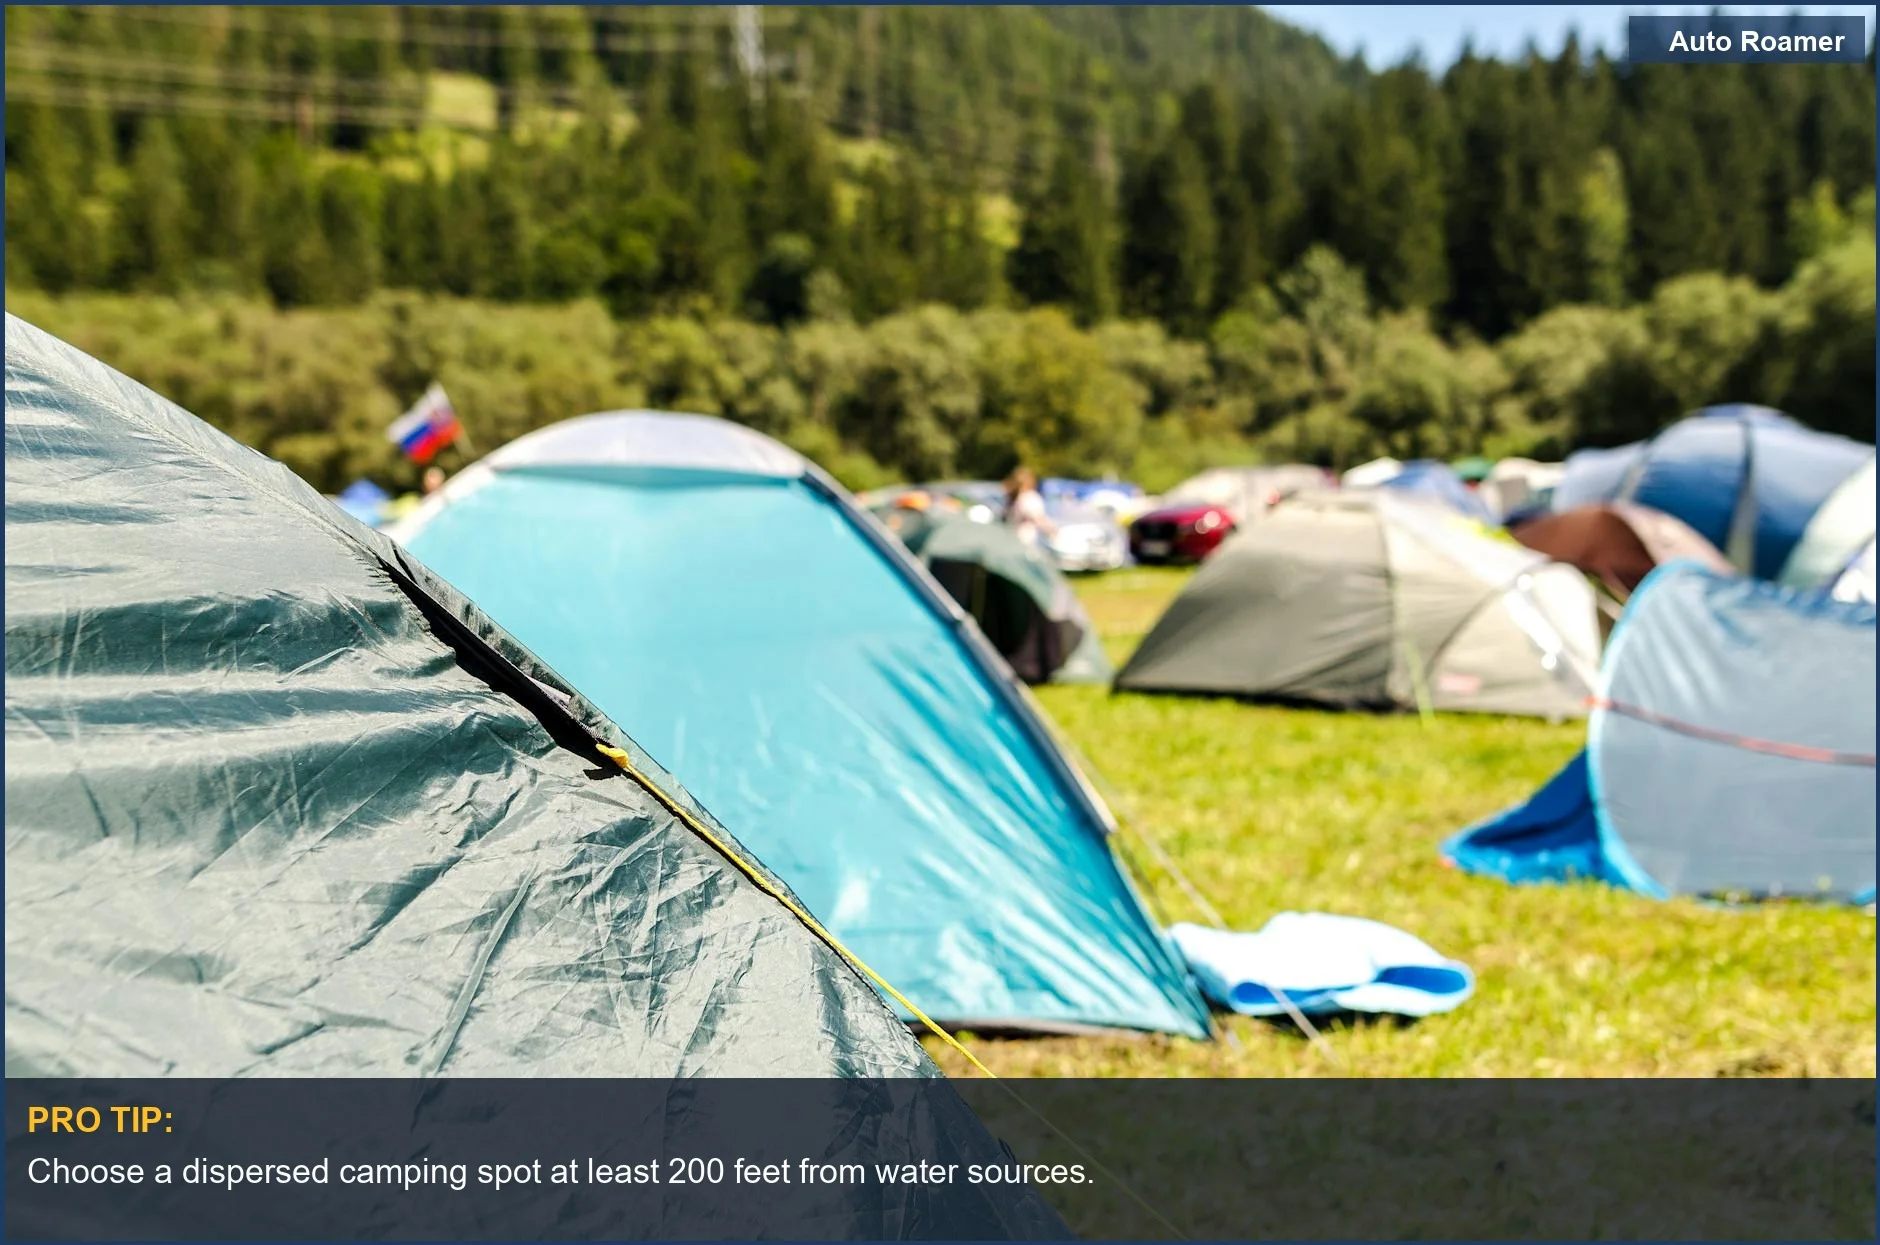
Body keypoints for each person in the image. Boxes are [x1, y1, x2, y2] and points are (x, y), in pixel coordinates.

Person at [1003, 466, 1056, 549]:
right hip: (1026, 542)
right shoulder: (1029, 498)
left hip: (1012, 539)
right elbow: (1038, 519)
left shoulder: (1014, 498)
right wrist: (1053, 531)